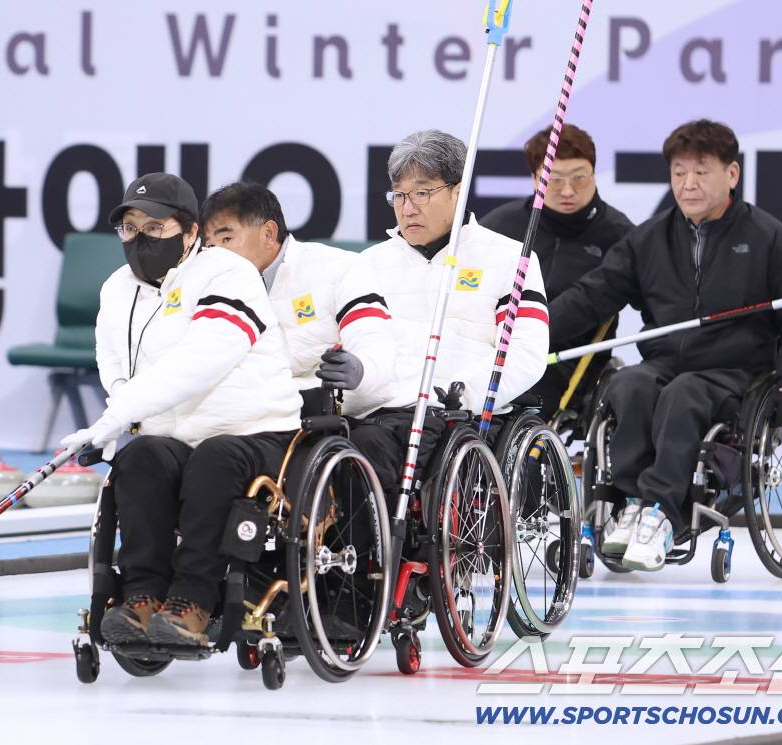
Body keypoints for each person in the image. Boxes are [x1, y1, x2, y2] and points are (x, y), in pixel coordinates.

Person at [549, 120, 782, 571]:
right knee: (629, 385)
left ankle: (661, 514)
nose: (688, 184)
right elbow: (592, 295)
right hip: (664, 363)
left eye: (701, 172)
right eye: (679, 173)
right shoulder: (649, 239)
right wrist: (532, 328)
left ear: (731, 174)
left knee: (684, 394)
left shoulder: (767, 237)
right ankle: (628, 506)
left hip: (735, 372)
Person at [69, 172, 302, 647]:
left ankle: (192, 603)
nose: (139, 239)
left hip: (255, 432)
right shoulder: (116, 288)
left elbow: (202, 360)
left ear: (190, 232)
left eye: (154, 228)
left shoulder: (227, 273)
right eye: (129, 229)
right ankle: (142, 597)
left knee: (215, 458)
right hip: (177, 438)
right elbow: (111, 360)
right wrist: (122, 414)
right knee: (139, 457)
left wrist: (123, 409)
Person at [349, 129, 550, 497]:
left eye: (423, 193)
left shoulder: (510, 259)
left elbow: (525, 352)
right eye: (400, 195)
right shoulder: (365, 266)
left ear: (458, 191)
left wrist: (462, 392)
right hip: (381, 412)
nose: (409, 208)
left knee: (379, 451)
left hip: (460, 414)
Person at [199, 180, 397, 418]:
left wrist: (362, 370)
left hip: (328, 420)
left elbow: (373, 340)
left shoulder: (340, 269)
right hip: (246, 421)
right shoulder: (206, 294)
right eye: (209, 245)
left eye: (226, 240)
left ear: (269, 234)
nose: (216, 255)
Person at [480, 124, 634, 422]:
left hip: (566, 362)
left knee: (511, 406)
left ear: (594, 174)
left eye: (579, 178)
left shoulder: (621, 236)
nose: (567, 190)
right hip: (490, 352)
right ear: (535, 178)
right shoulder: (500, 226)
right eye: (554, 179)